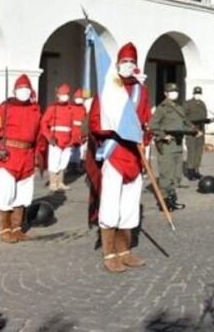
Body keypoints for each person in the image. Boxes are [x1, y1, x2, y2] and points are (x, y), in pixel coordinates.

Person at [88, 42, 152, 273]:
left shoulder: (141, 91)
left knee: (130, 204)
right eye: (124, 62)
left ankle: (125, 250)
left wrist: (146, 140)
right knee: (110, 203)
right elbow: (95, 122)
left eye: (132, 62)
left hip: (134, 155)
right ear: (117, 65)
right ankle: (110, 253)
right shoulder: (107, 90)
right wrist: (115, 129)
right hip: (115, 152)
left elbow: (146, 121)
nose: (128, 65)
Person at [0, 75, 45, 243]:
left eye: (26, 88)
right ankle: (4, 229)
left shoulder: (35, 109)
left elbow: (39, 135)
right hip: (9, 156)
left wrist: (39, 154)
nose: (24, 91)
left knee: (23, 194)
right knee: (5, 192)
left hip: (28, 157)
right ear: (14, 91)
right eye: (20, 88)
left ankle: (17, 228)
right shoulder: (5, 108)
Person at [150, 82, 194, 211]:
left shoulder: (179, 108)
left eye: (176, 91)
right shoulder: (162, 108)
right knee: (166, 175)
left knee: (176, 175)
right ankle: (164, 203)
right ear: (165, 93)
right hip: (167, 146)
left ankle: (173, 200)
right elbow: (152, 125)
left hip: (178, 145)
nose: (174, 93)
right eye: (171, 91)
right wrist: (163, 136)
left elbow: (185, 124)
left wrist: (194, 130)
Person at [40, 83, 75, 192]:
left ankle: (60, 182)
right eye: (62, 94)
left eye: (66, 94)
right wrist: (49, 137)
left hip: (68, 139)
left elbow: (74, 125)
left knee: (64, 161)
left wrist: (73, 139)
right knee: (54, 161)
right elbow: (43, 123)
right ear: (58, 95)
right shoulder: (52, 108)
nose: (65, 96)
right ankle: (53, 183)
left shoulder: (71, 108)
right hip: (56, 139)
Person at [183, 86, 209, 181]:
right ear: (193, 93)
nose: (198, 95)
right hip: (191, 132)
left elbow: (204, 117)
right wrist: (193, 129)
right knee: (192, 151)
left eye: (199, 93)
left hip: (201, 132)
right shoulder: (188, 104)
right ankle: (190, 172)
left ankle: (196, 170)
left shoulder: (202, 104)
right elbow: (184, 118)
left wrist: (205, 125)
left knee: (199, 152)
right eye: (196, 93)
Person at [68, 88, 88, 174]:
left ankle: (76, 166)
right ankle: (69, 167)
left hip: (80, 130)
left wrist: (85, 132)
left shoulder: (83, 108)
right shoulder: (70, 107)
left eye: (81, 97)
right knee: (71, 149)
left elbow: (85, 119)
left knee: (79, 149)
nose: (79, 99)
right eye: (78, 97)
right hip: (72, 129)